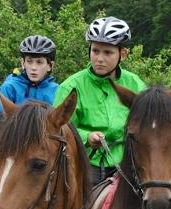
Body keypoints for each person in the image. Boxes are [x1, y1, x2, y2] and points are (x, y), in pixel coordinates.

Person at [53, 17, 146, 186]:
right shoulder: (70, 87)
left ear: (122, 54)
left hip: (130, 162)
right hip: (88, 163)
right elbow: (57, 129)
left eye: (108, 52)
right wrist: (86, 137)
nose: (99, 59)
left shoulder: (136, 84)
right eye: (95, 51)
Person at [0, 35, 59, 116]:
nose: (33, 68)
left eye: (39, 62)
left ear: (50, 65)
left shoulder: (57, 91)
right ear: (23, 63)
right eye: (29, 61)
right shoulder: (9, 88)